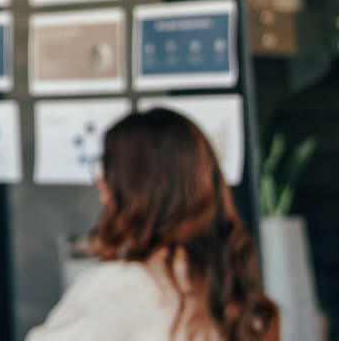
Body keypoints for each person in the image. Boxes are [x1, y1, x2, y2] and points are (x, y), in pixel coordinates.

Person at [25, 108, 279, 341]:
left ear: (137, 189)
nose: (100, 183)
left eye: (110, 170)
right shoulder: (228, 291)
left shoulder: (123, 287)